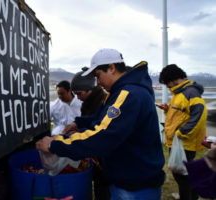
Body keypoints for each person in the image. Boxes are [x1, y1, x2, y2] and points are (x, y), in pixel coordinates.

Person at [37, 48, 165, 200]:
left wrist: (55, 144)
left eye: (98, 76)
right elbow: (102, 119)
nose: (97, 83)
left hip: (134, 184)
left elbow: (103, 135)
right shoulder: (120, 92)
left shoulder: (128, 95)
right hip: (129, 176)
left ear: (111, 68)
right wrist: (78, 122)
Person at [158, 64, 207, 200]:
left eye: (167, 82)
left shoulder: (190, 93)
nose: (167, 86)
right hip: (177, 142)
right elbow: (182, 114)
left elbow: (199, 116)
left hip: (184, 143)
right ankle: (192, 196)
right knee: (184, 176)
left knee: (182, 177)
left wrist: (180, 133)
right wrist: (167, 109)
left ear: (173, 79)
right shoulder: (178, 94)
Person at [71, 67, 109, 200]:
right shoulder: (87, 103)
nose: (78, 98)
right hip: (94, 155)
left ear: (90, 90)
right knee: (98, 187)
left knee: (104, 190)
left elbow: (98, 131)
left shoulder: (102, 102)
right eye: (75, 94)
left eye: (79, 93)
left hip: (105, 159)